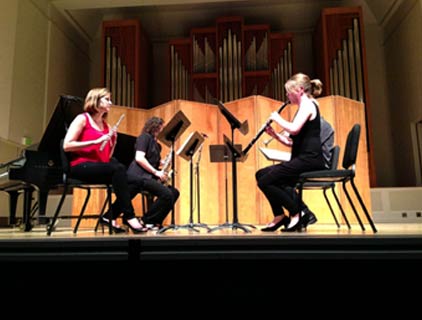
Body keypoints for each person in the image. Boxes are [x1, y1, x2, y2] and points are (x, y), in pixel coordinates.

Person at [63, 87, 146, 233]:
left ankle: (109, 216)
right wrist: (95, 141)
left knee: (137, 181)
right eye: (107, 99)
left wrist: (112, 142)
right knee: (118, 167)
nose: (111, 102)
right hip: (80, 166)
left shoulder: (106, 126)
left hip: (99, 166)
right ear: (95, 100)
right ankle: (129, 216)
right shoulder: (82, 119)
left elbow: (106, 157)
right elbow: (67, 145)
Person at [256, 73, 325, 232]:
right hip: (302, 158)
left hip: (310, 159)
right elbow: (291, 141)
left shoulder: (308, 104)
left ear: (300, 90)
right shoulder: (303, 107)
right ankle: (280, 215)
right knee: (261, 174)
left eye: (289, 91)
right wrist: (274, 134)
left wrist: (277, 118)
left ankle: (297, 212)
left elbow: (294, 129)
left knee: (265, 182)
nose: (287, 95)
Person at [127, 116, 180, 230]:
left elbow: (153, 161)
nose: (163, 131)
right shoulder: (144, 138)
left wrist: (164, 162)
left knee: (174, 192)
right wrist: (157, 172)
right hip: (138, 176)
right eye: (162, 127)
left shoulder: (156, 144)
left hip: (148, 176)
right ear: (155, 127)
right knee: (166, 194)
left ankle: (153, 220)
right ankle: (146, 221)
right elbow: (139, 158)